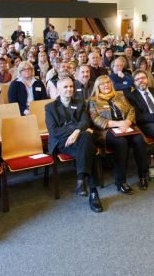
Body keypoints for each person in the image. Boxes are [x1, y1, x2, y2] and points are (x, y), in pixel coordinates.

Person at [44, 77, 104, 212]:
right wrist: (76, 128)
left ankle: (82, 180)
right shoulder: (50, 107)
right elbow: (54, 131)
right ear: (58, 89)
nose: (69, 89)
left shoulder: (80, 103)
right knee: (89, 146)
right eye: (65, 87)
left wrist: (77, 131)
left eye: (71, 86)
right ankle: (92, 192)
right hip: (62, 142)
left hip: (79, 139)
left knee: (86, 139)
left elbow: (85, 123)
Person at [88, 75, 150, 194]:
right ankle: (121, 182)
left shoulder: (120, 95)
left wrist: (127, 122)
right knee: (121, 143)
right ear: (97, 87)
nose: (106, 85)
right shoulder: (93, 101)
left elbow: (131, 110)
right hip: (106, 132)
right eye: (102, 84)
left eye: (108, 82)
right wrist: (118, 124)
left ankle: (143, 175)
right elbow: (95, 119)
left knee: (138, 140)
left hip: (126, 127)